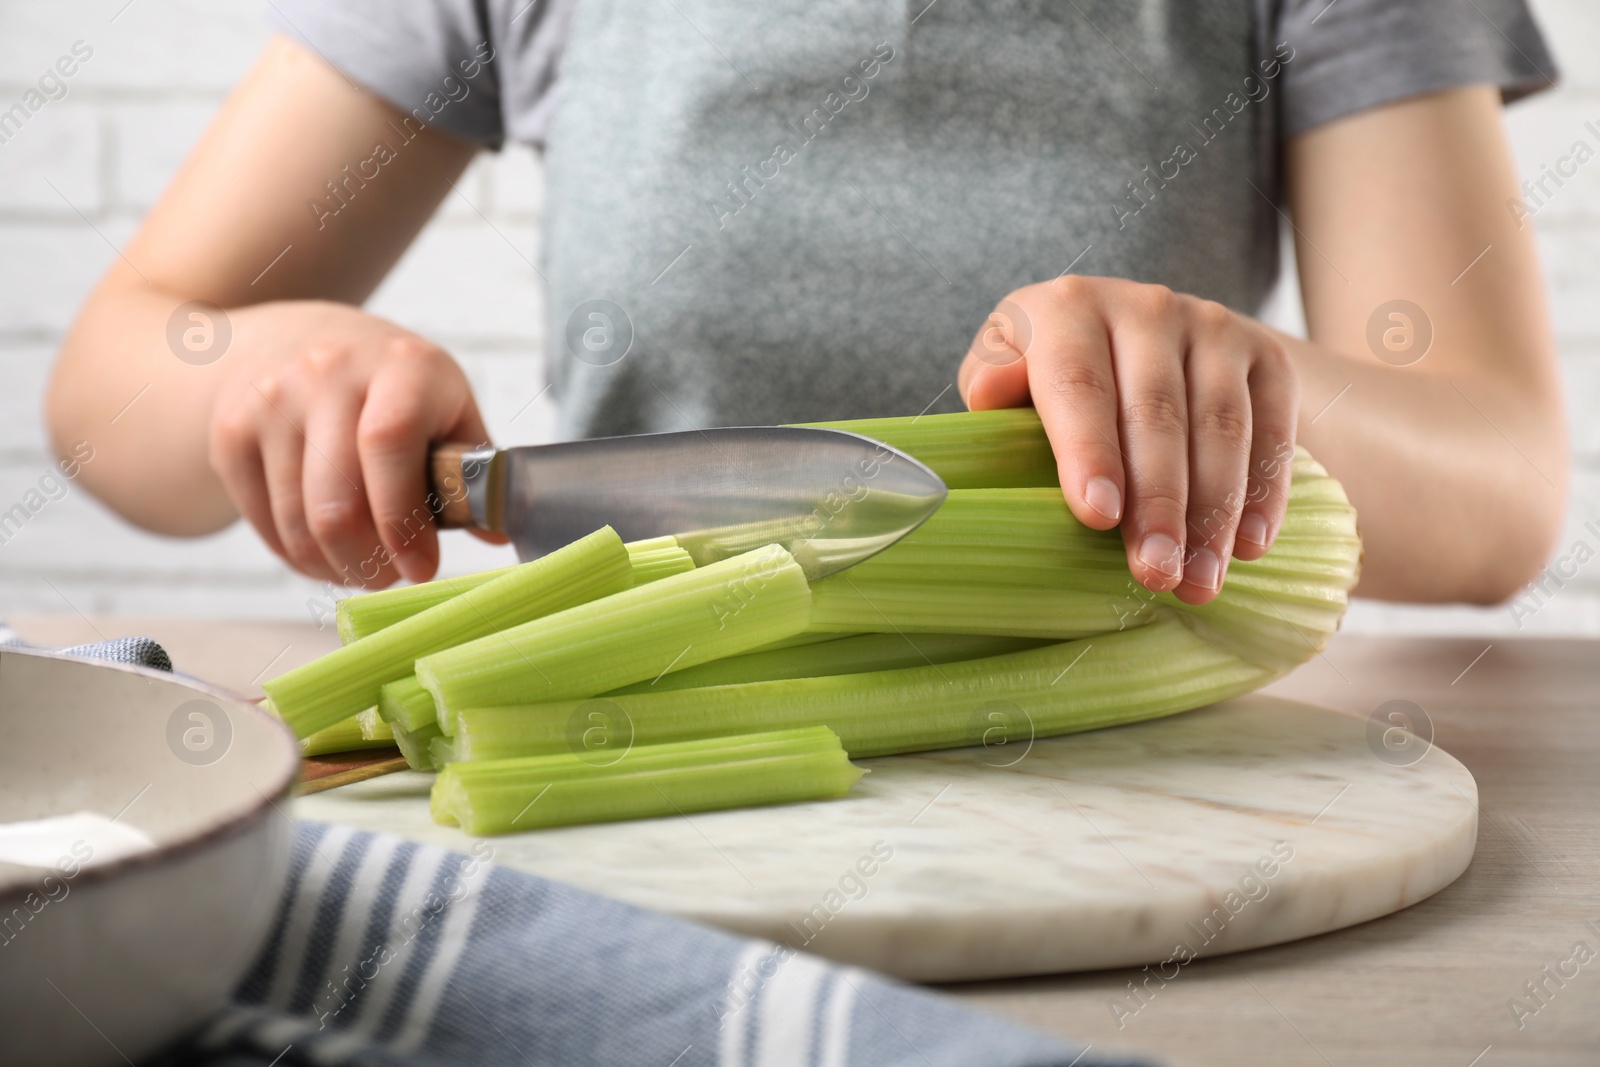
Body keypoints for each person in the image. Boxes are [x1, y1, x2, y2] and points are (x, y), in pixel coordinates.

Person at [46, 0, 1567, 608]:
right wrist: (273, 370)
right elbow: (117, 382)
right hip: (642, 779)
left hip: (1134, 785)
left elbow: (1497, 489)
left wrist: (1241, 388)